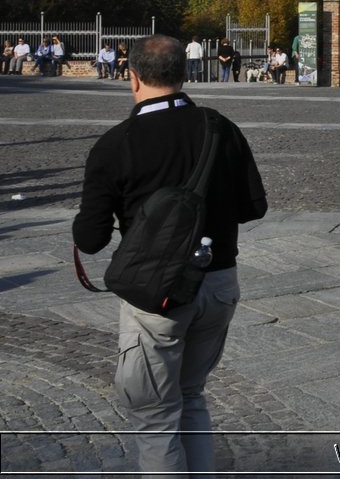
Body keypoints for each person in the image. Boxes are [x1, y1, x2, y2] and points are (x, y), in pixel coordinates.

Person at [72, 34, 268, 475]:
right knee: (192, 395)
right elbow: (254, 207)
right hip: (218, 281)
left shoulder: (115, 144)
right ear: (184, 74)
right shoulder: (221, 128)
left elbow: (91, 239)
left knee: (157, 417)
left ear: (133, 77)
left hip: (155, 295)